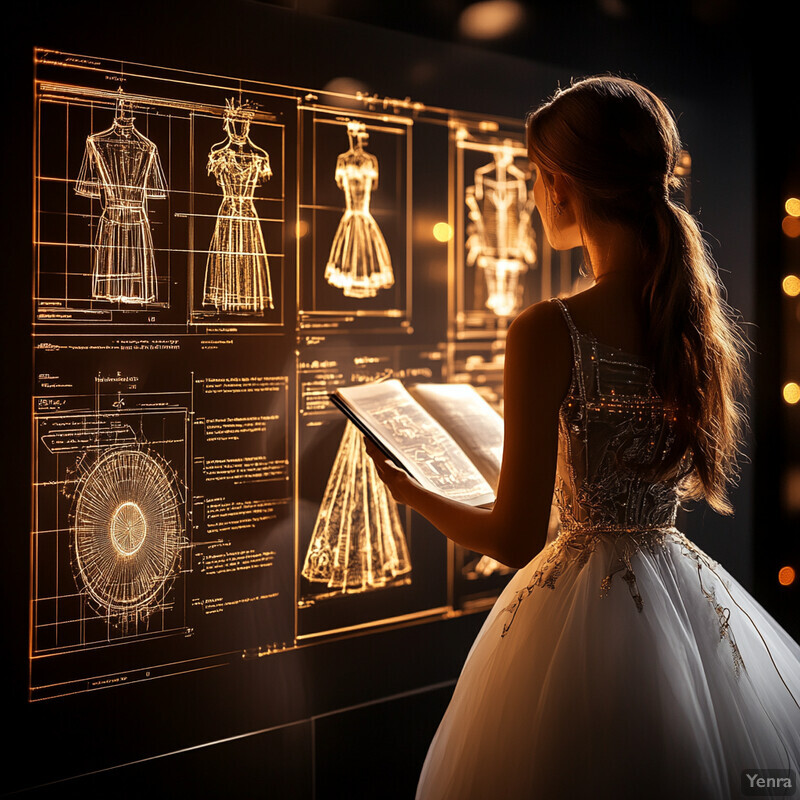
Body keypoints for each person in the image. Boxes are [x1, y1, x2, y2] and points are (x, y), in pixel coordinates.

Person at [364, 76, 800, 799]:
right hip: (679, 598)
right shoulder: (686, 321)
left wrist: (416, 494)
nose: (536, 196)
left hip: (576, 616)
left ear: (561, 185)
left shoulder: (549, 329)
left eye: (537, 177)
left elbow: (513, 539)